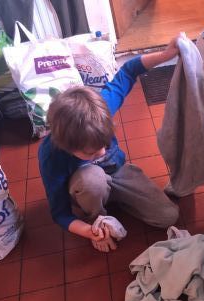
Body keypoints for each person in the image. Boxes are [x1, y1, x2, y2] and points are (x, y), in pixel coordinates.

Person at [39, 34, 184, 252]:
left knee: (168, 216)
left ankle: (113, 197)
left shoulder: (99, 110)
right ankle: (96, 214)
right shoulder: (52, 155)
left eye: (105, 143)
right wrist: (90, 231)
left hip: (118, 173)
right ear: (68, 147)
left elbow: (129, 70)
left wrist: (166, 54)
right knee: (91, 179)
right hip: (86, 188)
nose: (102, 152)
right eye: (91, 152)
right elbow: (60, 214)